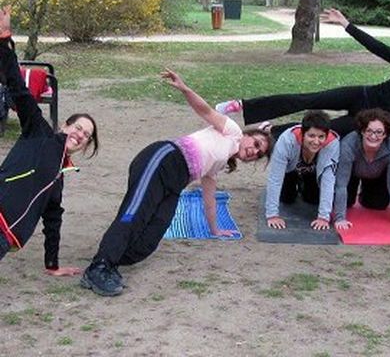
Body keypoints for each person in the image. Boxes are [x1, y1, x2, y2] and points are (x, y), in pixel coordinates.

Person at [81, 69, 273, 297]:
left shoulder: (220, 163)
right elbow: (205, 110)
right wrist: (184, 88)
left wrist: (215, 229)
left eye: (259, 153)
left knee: (153, 233)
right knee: (135, 214)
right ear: (249, 135)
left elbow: (209, 197)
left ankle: (110, 262)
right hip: (163, 158)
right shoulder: (232, 131)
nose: (254, 151)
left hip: (175, 181)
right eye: (256, 143)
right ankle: (99, 266)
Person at [215, 8, 390, 138]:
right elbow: (376, 46)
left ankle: (269, 130)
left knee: (322, 130)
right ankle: (243, 105)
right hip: (362, 96)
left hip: (372, 121)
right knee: (309, 99)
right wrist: (347, 25)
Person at [0, 6, 100, 276]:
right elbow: (18, 89)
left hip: (5, 237)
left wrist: (52, 266)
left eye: (86, 135)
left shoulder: (58, 178)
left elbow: (53, 220)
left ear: (85, 146)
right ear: (64, 126)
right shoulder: (39, 132)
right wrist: (4, 39)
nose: (80, 135)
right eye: (78, 128)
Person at [333, 108, 390, 231]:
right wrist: (340, 218)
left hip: (377, 174)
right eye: (369, 131)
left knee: (378, 205)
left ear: (386, 134)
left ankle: (365, 194)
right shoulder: (348, 144)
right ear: (362, 131)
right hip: (352, 173)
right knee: (346, 202)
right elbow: (341, 184)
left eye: (379, 132)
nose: (373, 136)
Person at [265, 110, 339, 230]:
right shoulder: (286, 140)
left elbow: (328, 179)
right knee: (287, 198)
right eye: (311, 136)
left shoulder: (332, 143)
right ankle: (267, 128)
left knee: (313, 199)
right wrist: (272, 215)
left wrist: (323, 217)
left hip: (313, 172)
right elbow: (275, 178)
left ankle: (303, 185)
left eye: (321, 137)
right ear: (303, 133)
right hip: (291, 171)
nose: (316, 141)